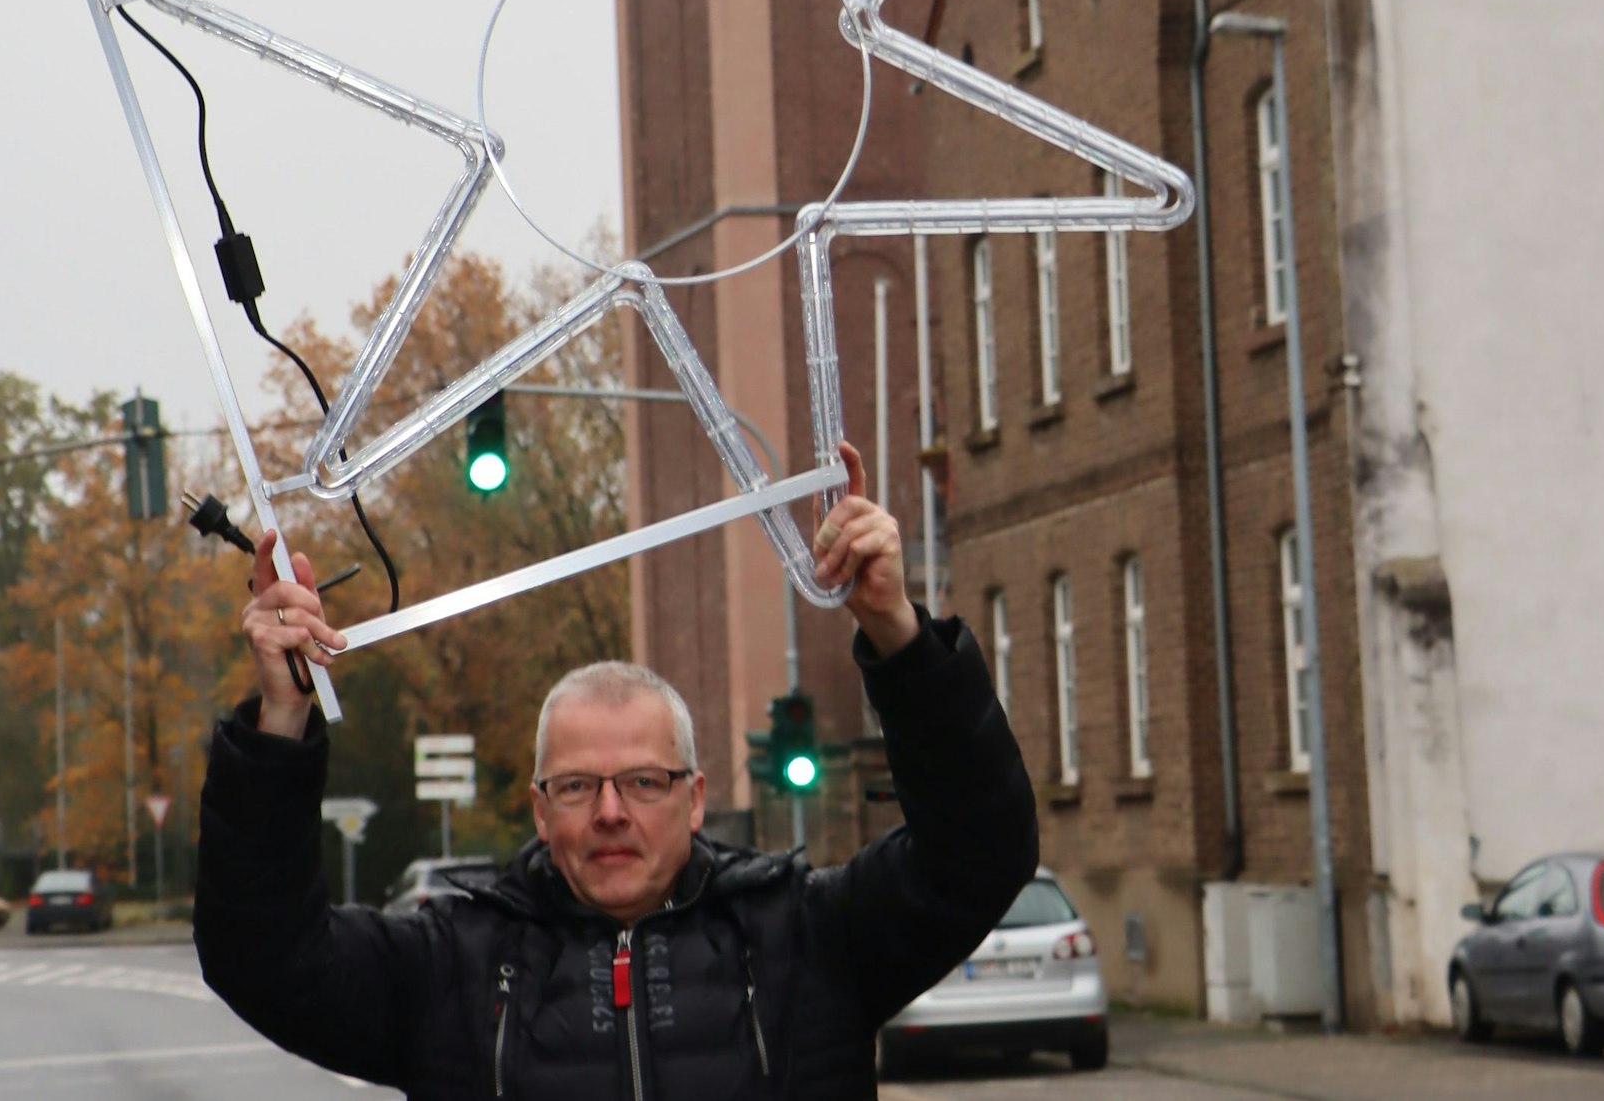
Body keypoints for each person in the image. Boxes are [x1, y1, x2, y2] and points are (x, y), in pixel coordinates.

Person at [196, 441, 1037, 1099]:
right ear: (538, 808)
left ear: (696, 796)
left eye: (643, 781)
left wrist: (896, 630)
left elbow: (980, 850)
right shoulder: (452, 969)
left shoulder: (807, 941)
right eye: (576, 785)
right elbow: (263, 957)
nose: (609, 811)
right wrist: (282, 717)